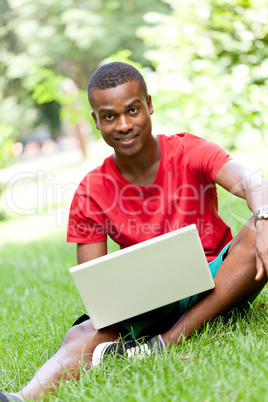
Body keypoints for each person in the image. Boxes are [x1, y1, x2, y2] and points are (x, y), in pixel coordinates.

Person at [1, 62, 268, 401]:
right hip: (153, 297)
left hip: (220, 279)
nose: (124, 125)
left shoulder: (190, 150)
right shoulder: (90, 191)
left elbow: (254, 182)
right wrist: (116, 308)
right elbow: (96, 289)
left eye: (132, 110)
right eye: (110, 116)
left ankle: (166, 342)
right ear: (96, 121)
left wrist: (263, 218)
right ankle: (21, 397)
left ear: (149, 105)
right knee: (85, 331)